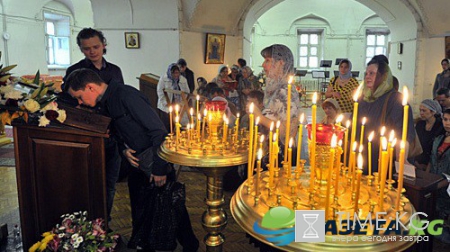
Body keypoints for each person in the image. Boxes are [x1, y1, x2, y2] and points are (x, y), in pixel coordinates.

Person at [64, 68, 199, 252]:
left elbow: (158, 132)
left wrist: (159, 169)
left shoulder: (126, 95)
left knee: (172, 208)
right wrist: (124, 150)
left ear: (90, 87)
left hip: (155, 163)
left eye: (80, 97)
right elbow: (119, 133)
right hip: (137, 165)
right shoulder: (106, 101)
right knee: (142, 213)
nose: (81, 102)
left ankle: (190, 245)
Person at [60, 27, 124, 223]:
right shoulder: (75, 71)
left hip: (111, 135)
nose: (92, 51)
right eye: (87, 48)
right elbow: (67, 104)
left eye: (96, 46)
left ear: (104, 45)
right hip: (86, 136)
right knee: (86, 183)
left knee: (110, 183)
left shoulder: (114, 70)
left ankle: (104, 223)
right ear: (81, 49)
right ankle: (86, 225)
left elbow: (119, 99)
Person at [357, 57, 415, 173]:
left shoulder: (396, 100)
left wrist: (401, 157)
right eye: (366, 73)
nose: (367, 76)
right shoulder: (363, 99)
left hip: (382, 158)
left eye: (372, 73)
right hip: (361, 155)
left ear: (383, 76)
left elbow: (402, 132)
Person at [253, 44, 301, 156]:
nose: (263, 65)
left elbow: (288, 131)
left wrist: (259, 117)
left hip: (280, 153)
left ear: (281, 63)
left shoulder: (285, 90)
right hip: (271, 147)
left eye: (267, 60)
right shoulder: (276, 87)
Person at [428, 108, 450, 244]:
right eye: (445, 119)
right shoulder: (439, 138)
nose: (447, 123)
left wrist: (437, 184)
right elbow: (432, 160)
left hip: (446, 189)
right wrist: (427, 179)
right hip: (433, 183)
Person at [156, 63, 190, 132]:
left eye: (177, 73)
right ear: (170, 73)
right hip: (166, 106)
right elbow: (160, 91)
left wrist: (182, 102)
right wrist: (166, 103)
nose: (176, 75)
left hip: (178, 105)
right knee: (167, 125)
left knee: (176, 124)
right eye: (174, 73)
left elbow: (186, 92)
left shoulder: (183, 80)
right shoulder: (163, 79)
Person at [414, 99, 444, 170]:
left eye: (424, 111)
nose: (421, 113)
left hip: (432, 163)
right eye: (420, 110)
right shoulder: (420, 124)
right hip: (418, 161)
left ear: (433, 112)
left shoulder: (440, 126)